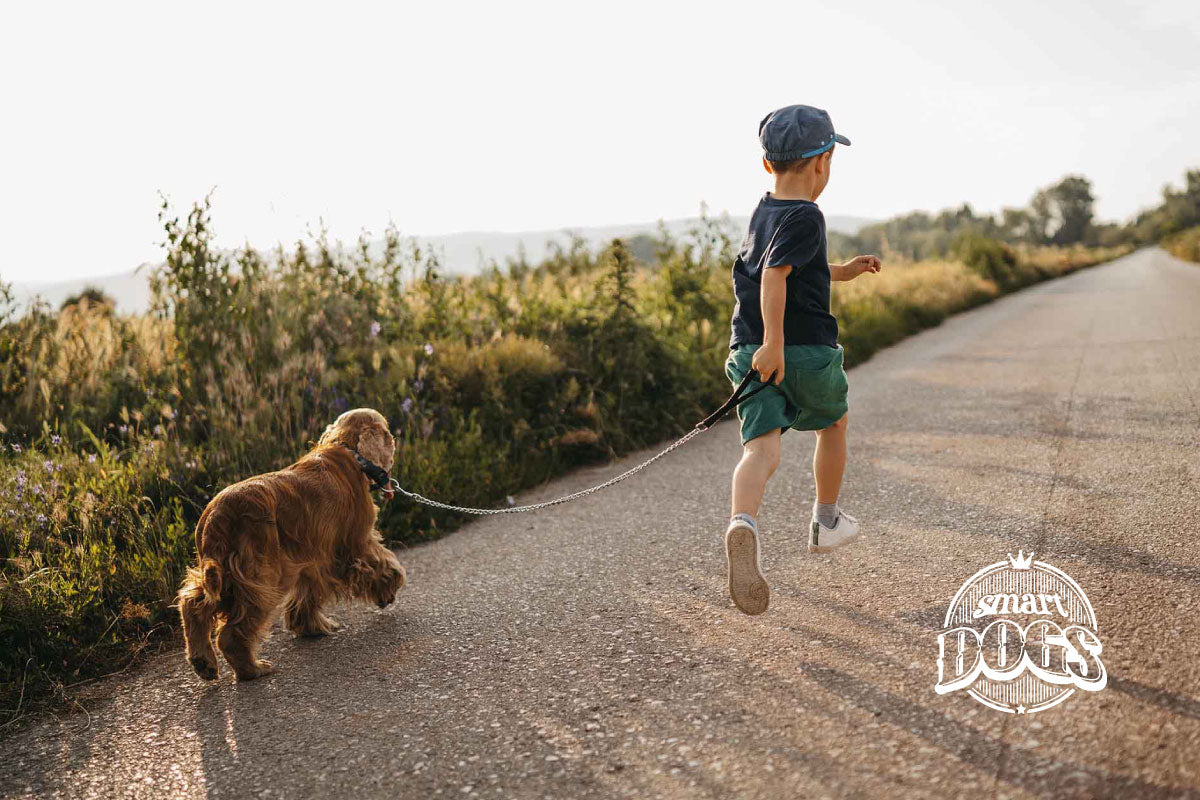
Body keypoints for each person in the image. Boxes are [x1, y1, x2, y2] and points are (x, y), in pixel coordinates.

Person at [723, 104, 882, 616]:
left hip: (748, 350)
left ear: (769, 165)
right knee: (833, 423)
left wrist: (841, 271)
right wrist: (777, 341)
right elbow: (775, 277)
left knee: (761, 452)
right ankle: (827, 520)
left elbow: (787, 267)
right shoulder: (807, 214)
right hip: (801, 349)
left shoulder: (764, 210)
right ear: (823, 163)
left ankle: (741, 523)